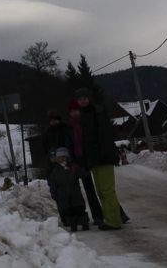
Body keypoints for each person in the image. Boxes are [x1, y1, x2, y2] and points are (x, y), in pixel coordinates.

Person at [74, 88, 125, 229]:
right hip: (94, 160)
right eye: (80, 99)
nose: (83, 100)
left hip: (104, 157)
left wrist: (106, 153)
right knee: (101, 191)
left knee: (107, 191)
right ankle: (110, 219)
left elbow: (104, 135)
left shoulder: (98, 112)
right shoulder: (83, 116)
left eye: (85, 97)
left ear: (89, 98)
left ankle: (114, 221)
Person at [49, 147, 90, 232]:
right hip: (64, 196)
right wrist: (54, 192)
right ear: (56, 159)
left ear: (68, 157)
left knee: (80, 210)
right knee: (69, 212)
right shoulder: (55, 171)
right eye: (60, 157)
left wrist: (82, 170)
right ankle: (73, 225)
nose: (62, 159)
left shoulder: (73, 167)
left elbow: (82, 173)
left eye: (64, 157)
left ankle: (84, 223)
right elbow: (52, 183)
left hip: (76, 194)